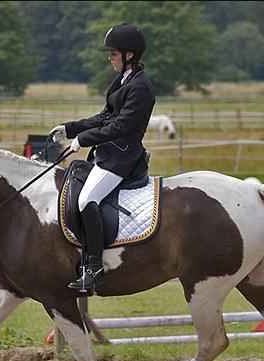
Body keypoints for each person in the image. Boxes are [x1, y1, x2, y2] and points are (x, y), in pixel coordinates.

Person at [50, 23, 156, 291]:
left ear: (129, 54)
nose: (109, 58)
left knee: (87, 200)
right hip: (108, 155)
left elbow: (121, 127)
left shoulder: (141, 86)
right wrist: (70, 128)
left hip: (123, 159)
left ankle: (94, 268)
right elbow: (105, 117)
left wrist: (83, 140)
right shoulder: (123, 80)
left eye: (113, 53)